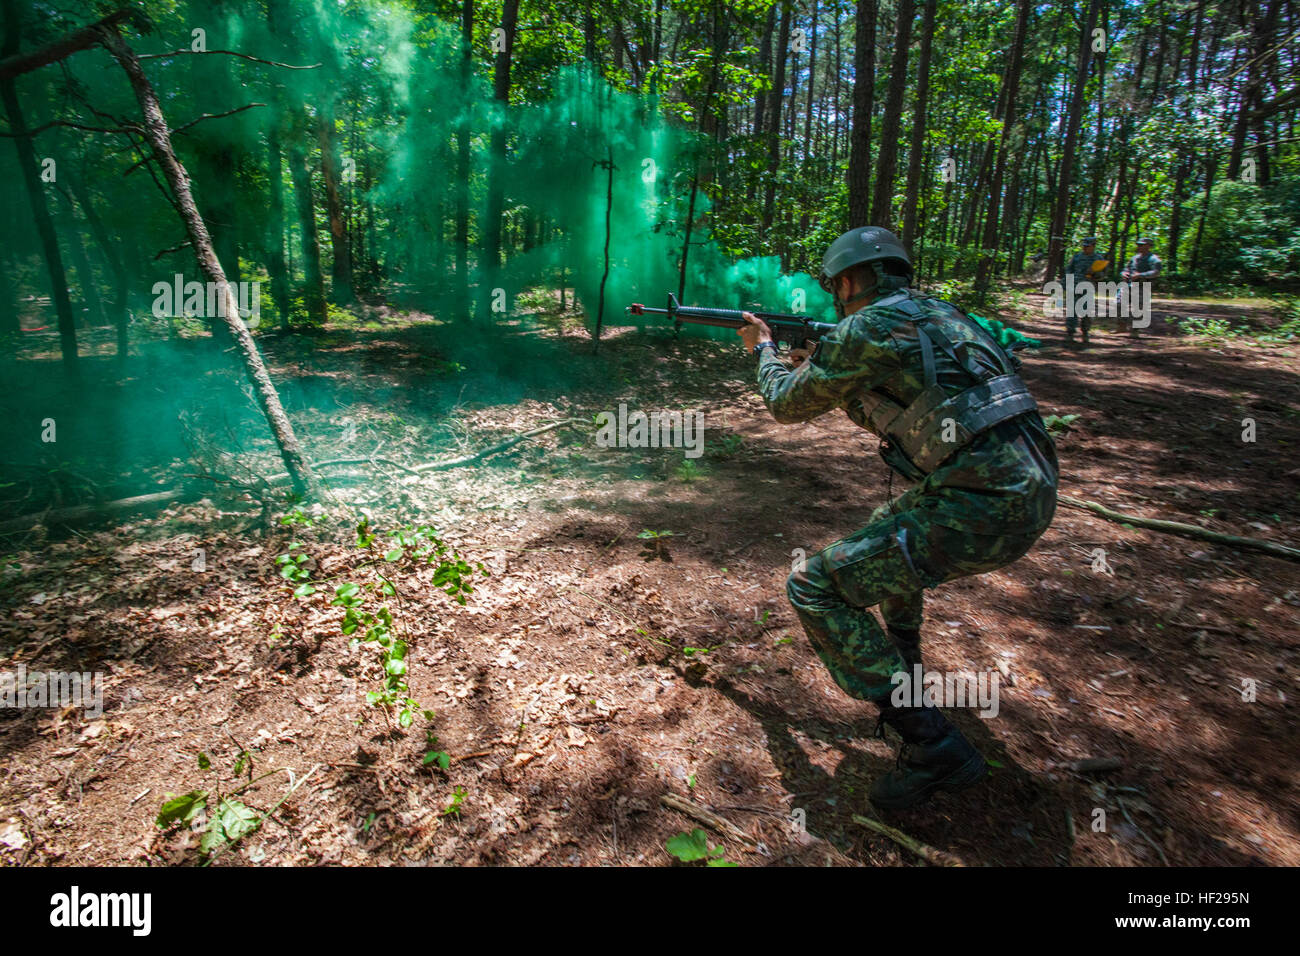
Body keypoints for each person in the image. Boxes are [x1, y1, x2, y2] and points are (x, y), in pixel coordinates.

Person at [736, 226, 1059, 810]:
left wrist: (763, 349)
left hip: (980, 507)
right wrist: (834, 368)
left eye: (836, 286)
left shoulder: (866, 326)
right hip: (1026, 491)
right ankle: (905, 663)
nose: (836, 297)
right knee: (890, 519)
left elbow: (785, 405)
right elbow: (918, 406)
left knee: (811, 585)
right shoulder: (946, 315)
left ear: (853, 279)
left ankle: (931, 743)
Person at [1063, 236, 1103, 346]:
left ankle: (1085, 333)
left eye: (1088, 246)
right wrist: (1065, 284)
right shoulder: (1076, 257)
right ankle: (1070, 333)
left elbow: (1102, 275)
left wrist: (1094, 273)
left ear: (1093, 246)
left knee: (1086, 312)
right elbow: (1068, 271)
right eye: (1084, 246)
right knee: (1072, 311)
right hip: (1074, 287)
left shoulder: (1098, 259)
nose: (1085, 248)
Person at [1118, 238, 1161, 336]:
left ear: (1148, 246)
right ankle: (1122, 326)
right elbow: (1126, 268)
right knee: (1119, 303)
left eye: (1141, 245)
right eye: (1138, 245)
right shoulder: (1134, 258)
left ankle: (1134, 330)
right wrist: (1124, 273)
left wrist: (1140, 275)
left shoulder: (1154, 259)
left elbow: (1156, 272)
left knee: (1138, 309)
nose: (1139, 247)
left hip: (1142, 286)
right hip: (1128, 285)